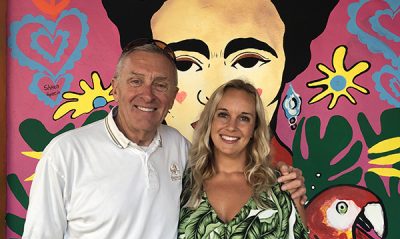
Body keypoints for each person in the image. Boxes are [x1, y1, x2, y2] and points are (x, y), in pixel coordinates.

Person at [19, 39, 306, 239]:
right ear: (115, 88)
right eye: (136, 81)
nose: (147, 94)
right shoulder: (67, 153)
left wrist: (283, 179)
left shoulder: (178, 148)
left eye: (161, 85)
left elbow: (231, 173)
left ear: (172, 98)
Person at [102, 0, 338, 163]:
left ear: (289, 64)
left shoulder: (284, 188)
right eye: (185, 64)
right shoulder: (153, 166)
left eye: (247, 61)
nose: (213, 93)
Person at [179, 79, 325, 239]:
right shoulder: (183, 186)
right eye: (223, 115)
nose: (232, 126)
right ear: (210, 120)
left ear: (255, 129)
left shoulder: (280, 186)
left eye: (244, 118)